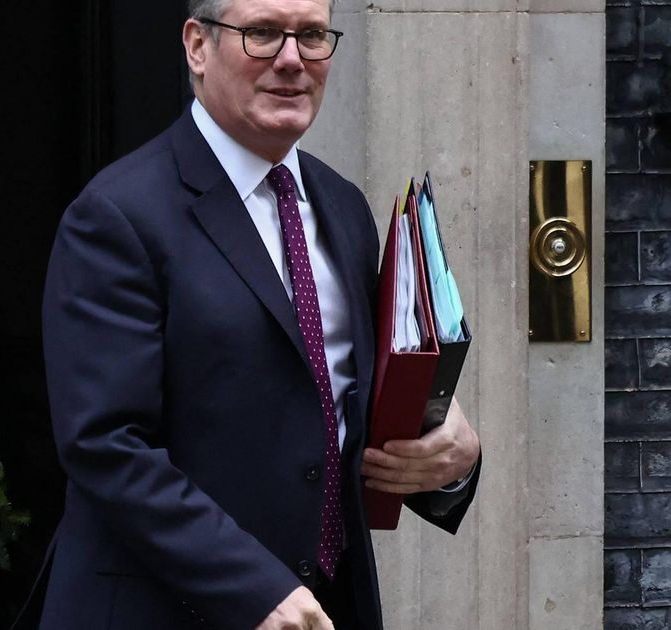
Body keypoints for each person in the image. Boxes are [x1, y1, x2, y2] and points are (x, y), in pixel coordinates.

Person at [26, 0, 482, 628]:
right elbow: (106, 446)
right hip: (165, 608)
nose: (292, 60)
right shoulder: (117, 215)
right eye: (262, 33)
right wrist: (254, 589)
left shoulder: (344, 207)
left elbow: (347, 405)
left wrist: (446, 450)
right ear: (197, 46)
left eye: (312, 35)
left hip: (327, 606)